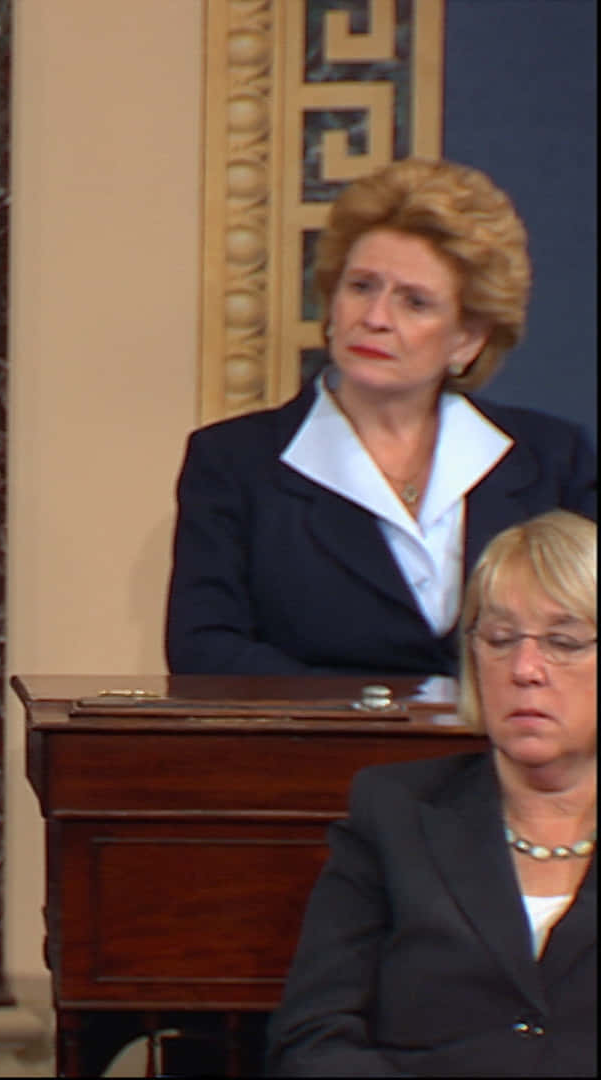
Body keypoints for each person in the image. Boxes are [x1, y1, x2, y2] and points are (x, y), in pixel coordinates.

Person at [165, 157, 596, 677]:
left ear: (468, 338)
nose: (374, 318)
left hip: (515, 758)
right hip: (311, 755)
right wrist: (386, 714)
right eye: (362, 286)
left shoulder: (553, 460)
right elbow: (205, 651)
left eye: (414, 302)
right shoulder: (235, 463)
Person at [266, 509, 596, 1076]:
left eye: (563, 642)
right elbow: (312, 1041)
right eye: (499, 638)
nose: (525, 668)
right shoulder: (394, 811)